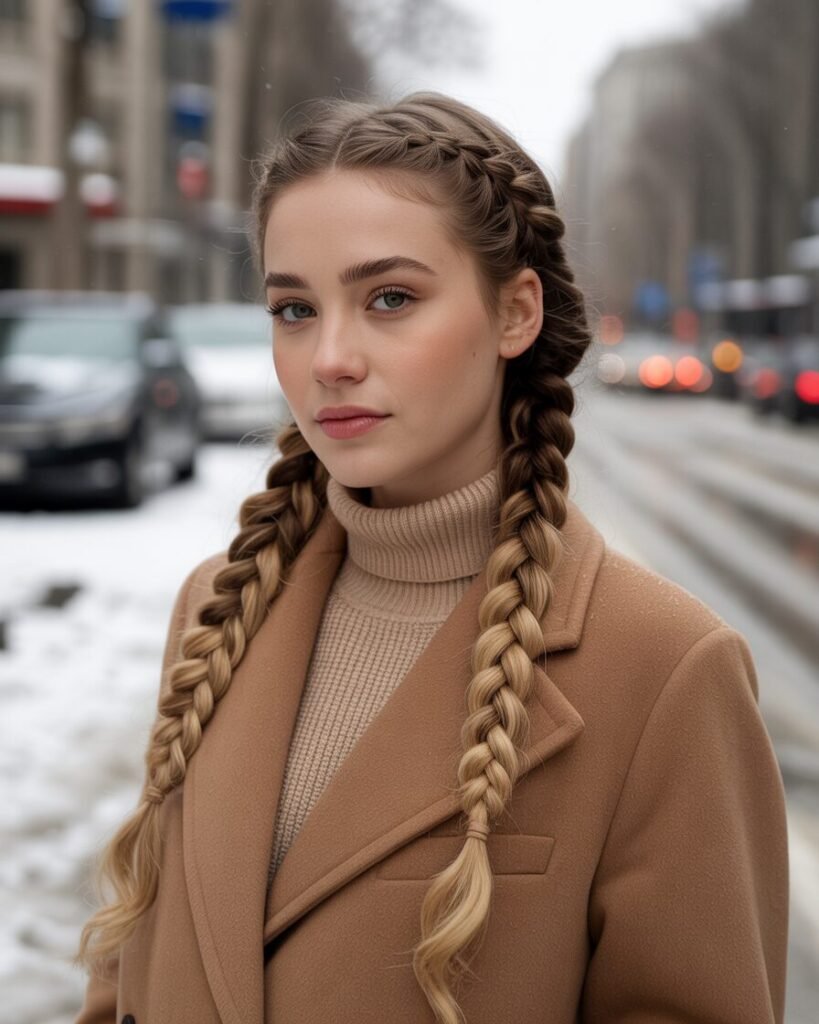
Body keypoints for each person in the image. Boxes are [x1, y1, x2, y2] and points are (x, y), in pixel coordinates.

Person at [73, 91, 789, 1024]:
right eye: (293, 308)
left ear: (513, 312)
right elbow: (130, 969)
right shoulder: (219, 606)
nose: (329, 356)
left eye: (390, 298)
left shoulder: (663, 668)